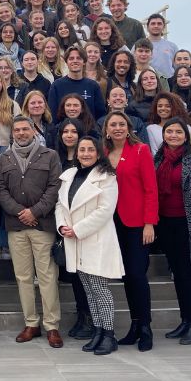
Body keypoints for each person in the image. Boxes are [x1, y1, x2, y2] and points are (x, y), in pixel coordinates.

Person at [0, 115, 64, 347]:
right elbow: (1, 189)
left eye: (26, 129)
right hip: (16, 226)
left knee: (47, 276)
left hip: (42, 224)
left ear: (34, 131)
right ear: (12, 133)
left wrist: (35, 211)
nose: (21, 133)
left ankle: (52, 326)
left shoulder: (50, 155)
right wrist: (20, 212)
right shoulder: (5, 158)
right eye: (17, 130)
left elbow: (55, 187)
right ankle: (31, 323)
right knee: (23, 277)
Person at [55, 136, 122, 355]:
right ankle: (98, 331)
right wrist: (62, 226)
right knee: (89, 290)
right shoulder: (70, 175)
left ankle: (109, 335)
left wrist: (78, 229)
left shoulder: (107, 177)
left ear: (98, 152)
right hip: (74, 240)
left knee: (100, 290)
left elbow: (105, 210)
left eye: (90, 150)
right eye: (82, 149)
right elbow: (60, 205)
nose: (85, 153)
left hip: (96, 240)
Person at [102, 111, 158, 352]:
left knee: (137, 274)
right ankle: (135, 325)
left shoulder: (141, 150)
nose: (117, 128)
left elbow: (150, 189)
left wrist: (149, 223)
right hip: (110, 224)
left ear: (128, 128)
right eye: (112, 124)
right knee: (125, 275)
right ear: (106, 129)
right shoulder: (102, 154)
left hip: (136, 223)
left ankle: (145, 326)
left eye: (121, 124)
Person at [154, 118, 191, 346]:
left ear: (186, 136)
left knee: (189, 275)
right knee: (178, 274)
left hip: (187, 225)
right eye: (170, 131)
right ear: (164, 135)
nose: (174, 135)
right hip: (166, 224)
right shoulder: (158, 159)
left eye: (178, 132)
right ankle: (184, 321)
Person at [47, 46, 106, 119]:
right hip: (64, 129)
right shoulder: (57, 85)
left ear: (84, 62)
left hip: (88, 129)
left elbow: (101, 115)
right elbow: (52, 114)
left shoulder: (93, 86)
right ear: (66, 62)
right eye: (71, 59)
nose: (75, 61)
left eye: (78, 58)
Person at [145, 14, 177, 78]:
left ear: (164, 27)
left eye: (159, 24)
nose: (156, 26)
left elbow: (177, 68)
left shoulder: (172, 46)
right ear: (147, 27)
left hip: (169, 83)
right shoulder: (139, 46)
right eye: (153, 24)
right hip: (147, 81)